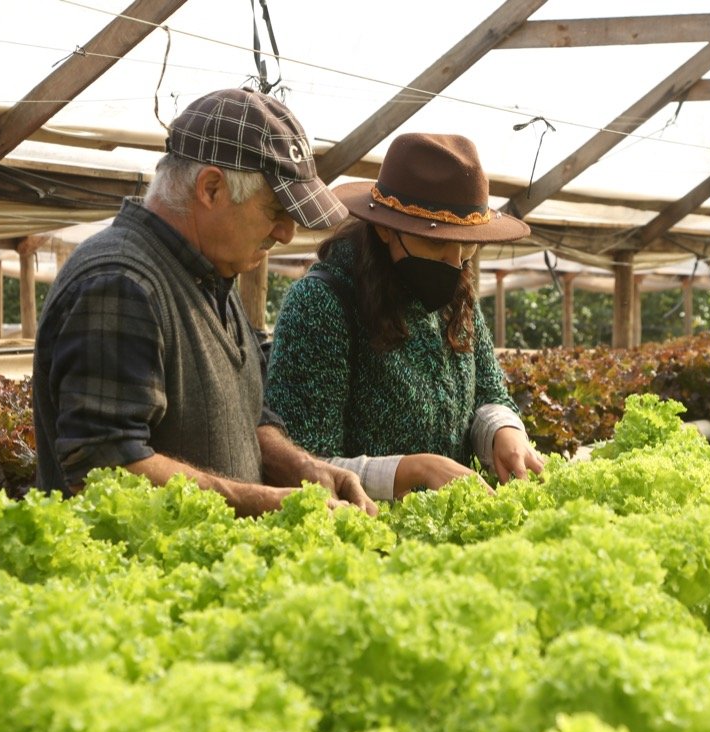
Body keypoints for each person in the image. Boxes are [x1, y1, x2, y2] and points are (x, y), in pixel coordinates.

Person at [33, 87, 376, 517]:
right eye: (275, 211)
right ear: (211, 188)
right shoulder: (120, 283)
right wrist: (263, 502)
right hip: (144, 583)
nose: (287, 234)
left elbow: (246, 414)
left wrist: (300, 465)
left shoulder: (209, 277)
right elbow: (104, 469)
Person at [263, 132, 544, 500]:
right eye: (436, 241)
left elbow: (489, 394)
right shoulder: (322, 305)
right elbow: (300, 463)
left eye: (467, 243)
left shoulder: (456, 298)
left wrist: (502, 430)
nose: (455, 260)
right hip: (366, 539)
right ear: (385, 227)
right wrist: (408, 472)